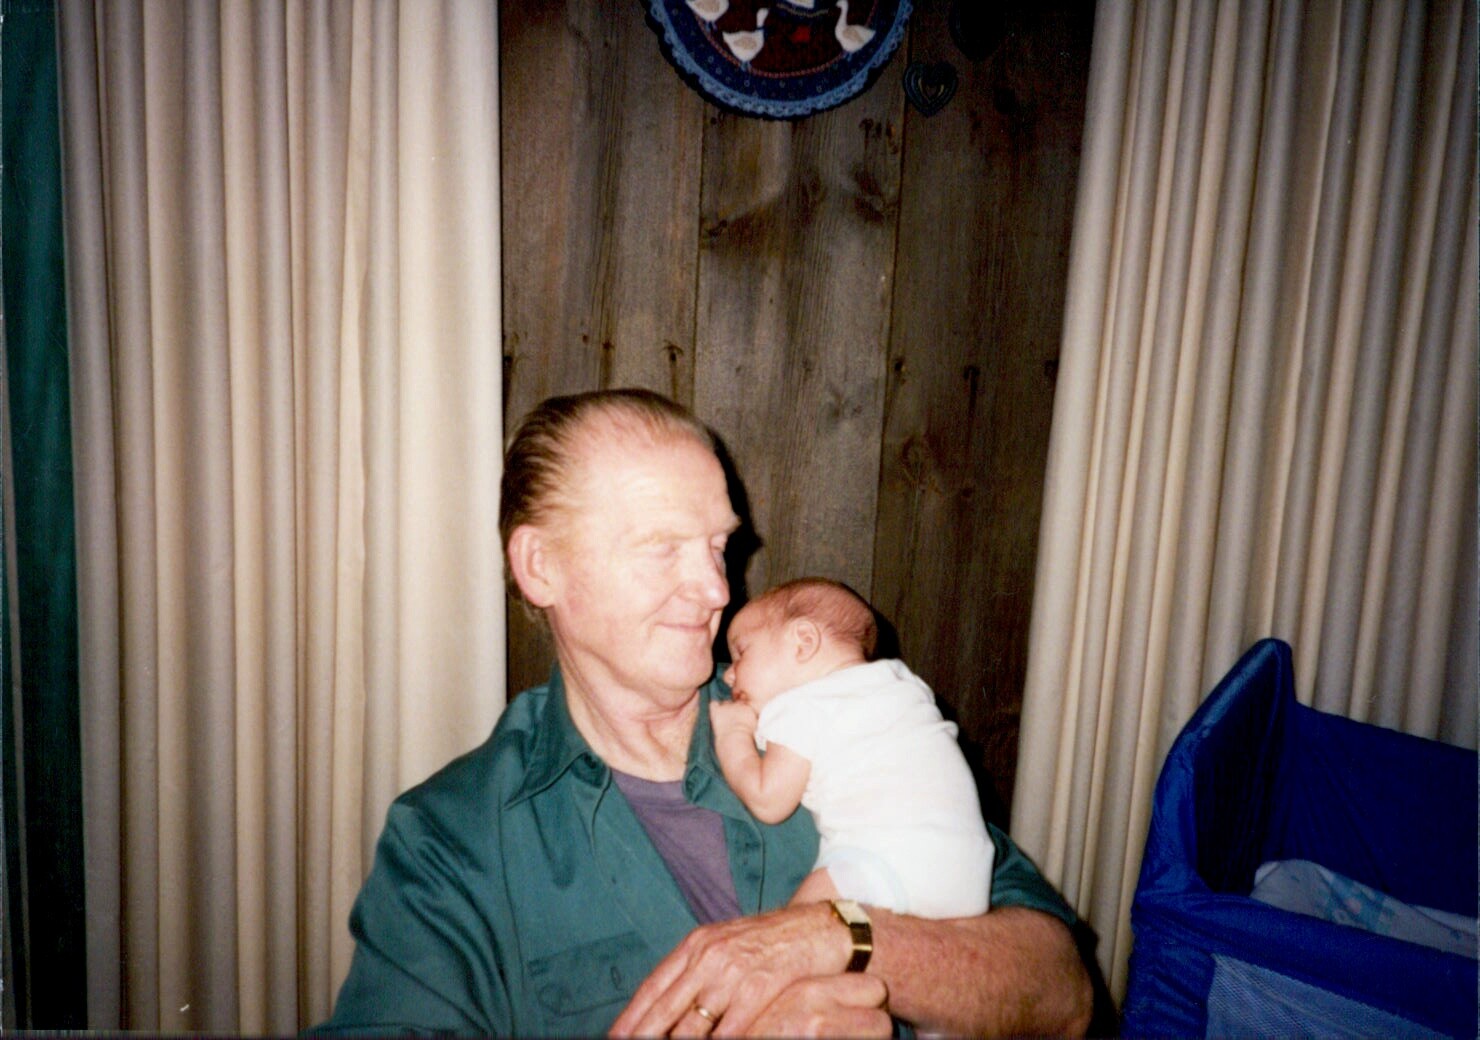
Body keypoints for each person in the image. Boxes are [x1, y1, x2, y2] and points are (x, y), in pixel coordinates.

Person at [317, 388, 1092, 1037]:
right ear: (540, 566)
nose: (719, 590)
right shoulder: (451, 844)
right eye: (663, 548)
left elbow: (1063, 992)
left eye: (719, 547)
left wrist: (840, 939)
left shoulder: (829, 711)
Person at [711, 578, 995, 919]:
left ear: (803, 642)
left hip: (881, 860)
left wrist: (732, 735)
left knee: (788, 932)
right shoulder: (904, 685)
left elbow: (768, 799)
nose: (729, 676)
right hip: (969, 874)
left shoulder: (802, 704)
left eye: (741, 654)